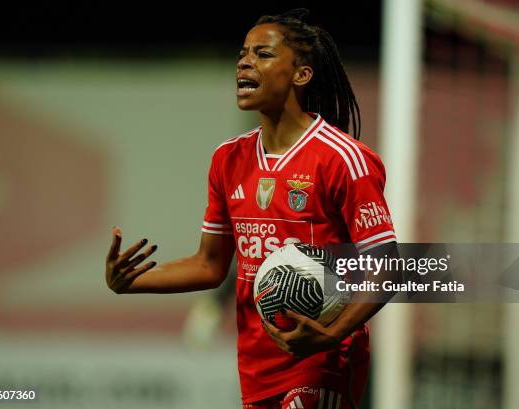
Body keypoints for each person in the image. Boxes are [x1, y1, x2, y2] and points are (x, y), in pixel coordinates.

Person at [105, 9, 397, 409]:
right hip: (257, 365)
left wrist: (331, 334)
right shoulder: (228, 158)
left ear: (301, 74)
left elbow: (387, 265)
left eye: (263, 54)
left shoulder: (342, 159)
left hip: (323, 359)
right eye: (243, 53)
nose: (244, 62)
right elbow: (210, 265)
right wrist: (132, 282)